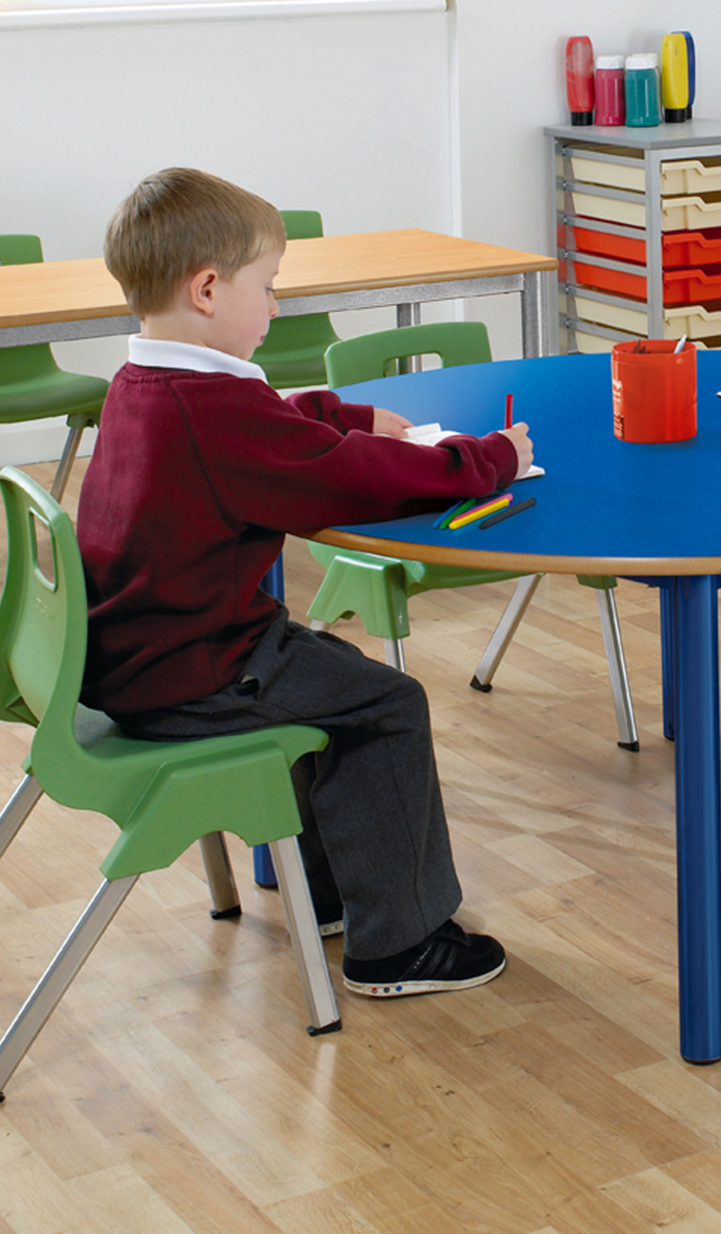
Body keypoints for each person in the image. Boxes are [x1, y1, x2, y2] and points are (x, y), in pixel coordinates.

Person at [78, 167, 532, 995]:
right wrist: (488, 459)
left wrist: (341, 414)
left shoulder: (144, 385)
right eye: (267, 286)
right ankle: (400, 944)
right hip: (195, 672)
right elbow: (349, 479)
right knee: (388, 706)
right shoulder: (212, 411)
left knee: (332, 673)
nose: (276, 306)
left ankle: (330, 892)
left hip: (143, 653)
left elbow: (269, 428)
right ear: (207, 289)